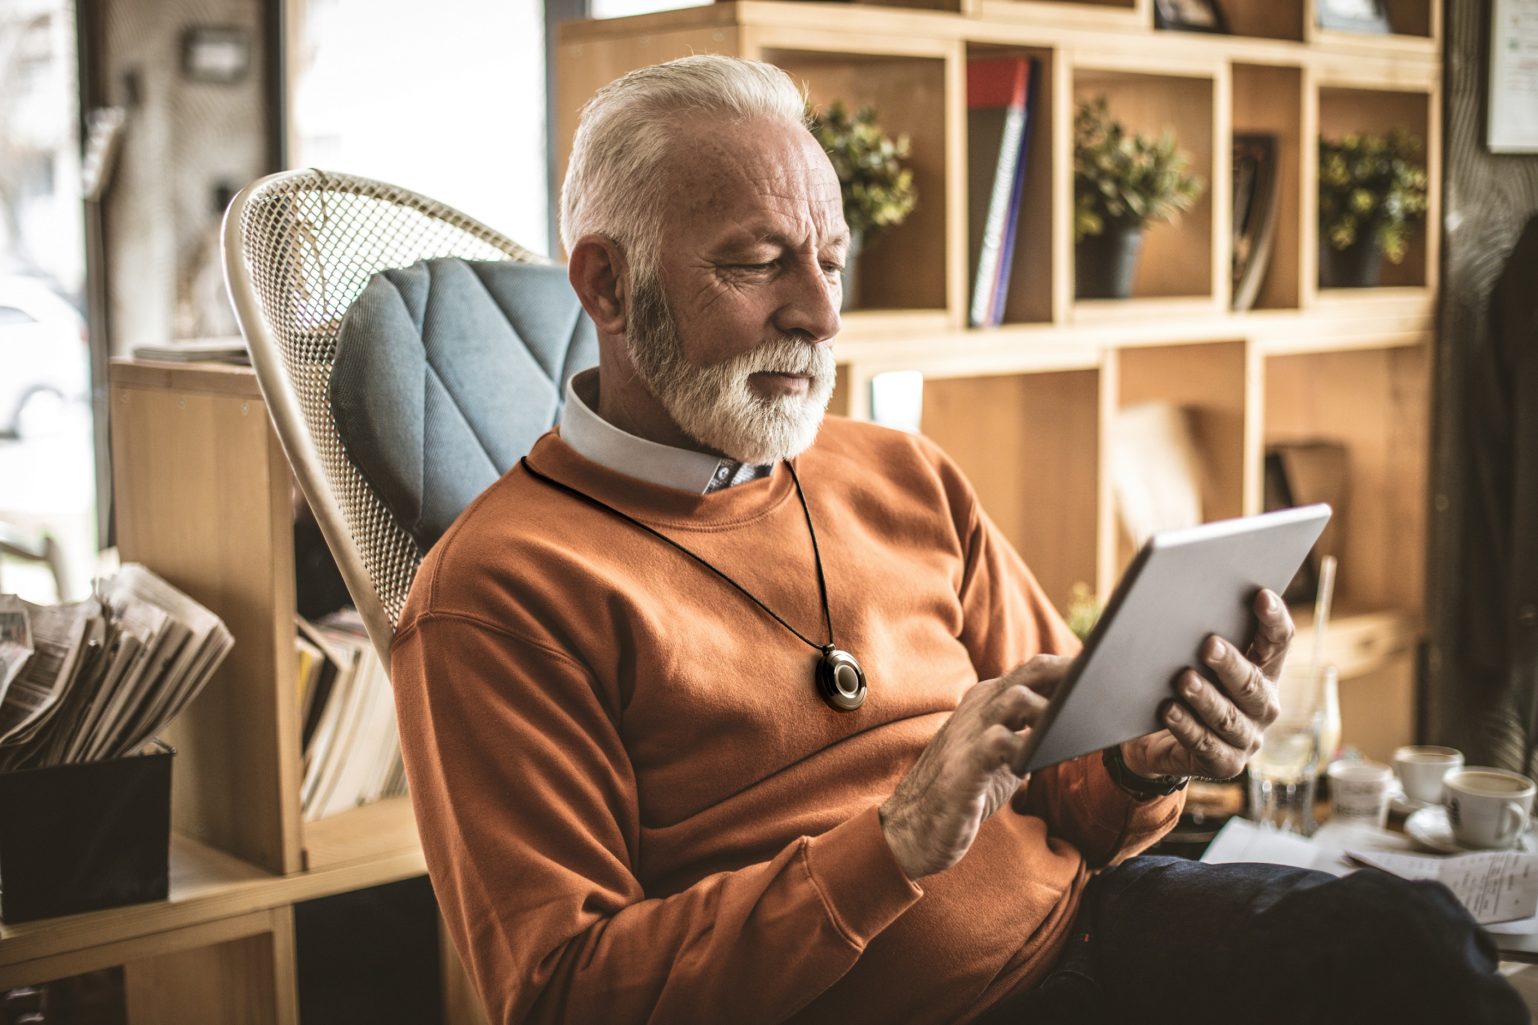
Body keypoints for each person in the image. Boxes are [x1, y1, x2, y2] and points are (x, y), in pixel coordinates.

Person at [389, 55, 1525, 1025]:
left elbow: (1075, 784)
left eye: (829, 260)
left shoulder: (898, 469)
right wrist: (891, 842)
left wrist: (1145, 757)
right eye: (757, 261)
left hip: (1088, 929)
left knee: (1410, 943)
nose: (821, 315)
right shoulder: (495, 593)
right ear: (605, 279)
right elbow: (561, 991)